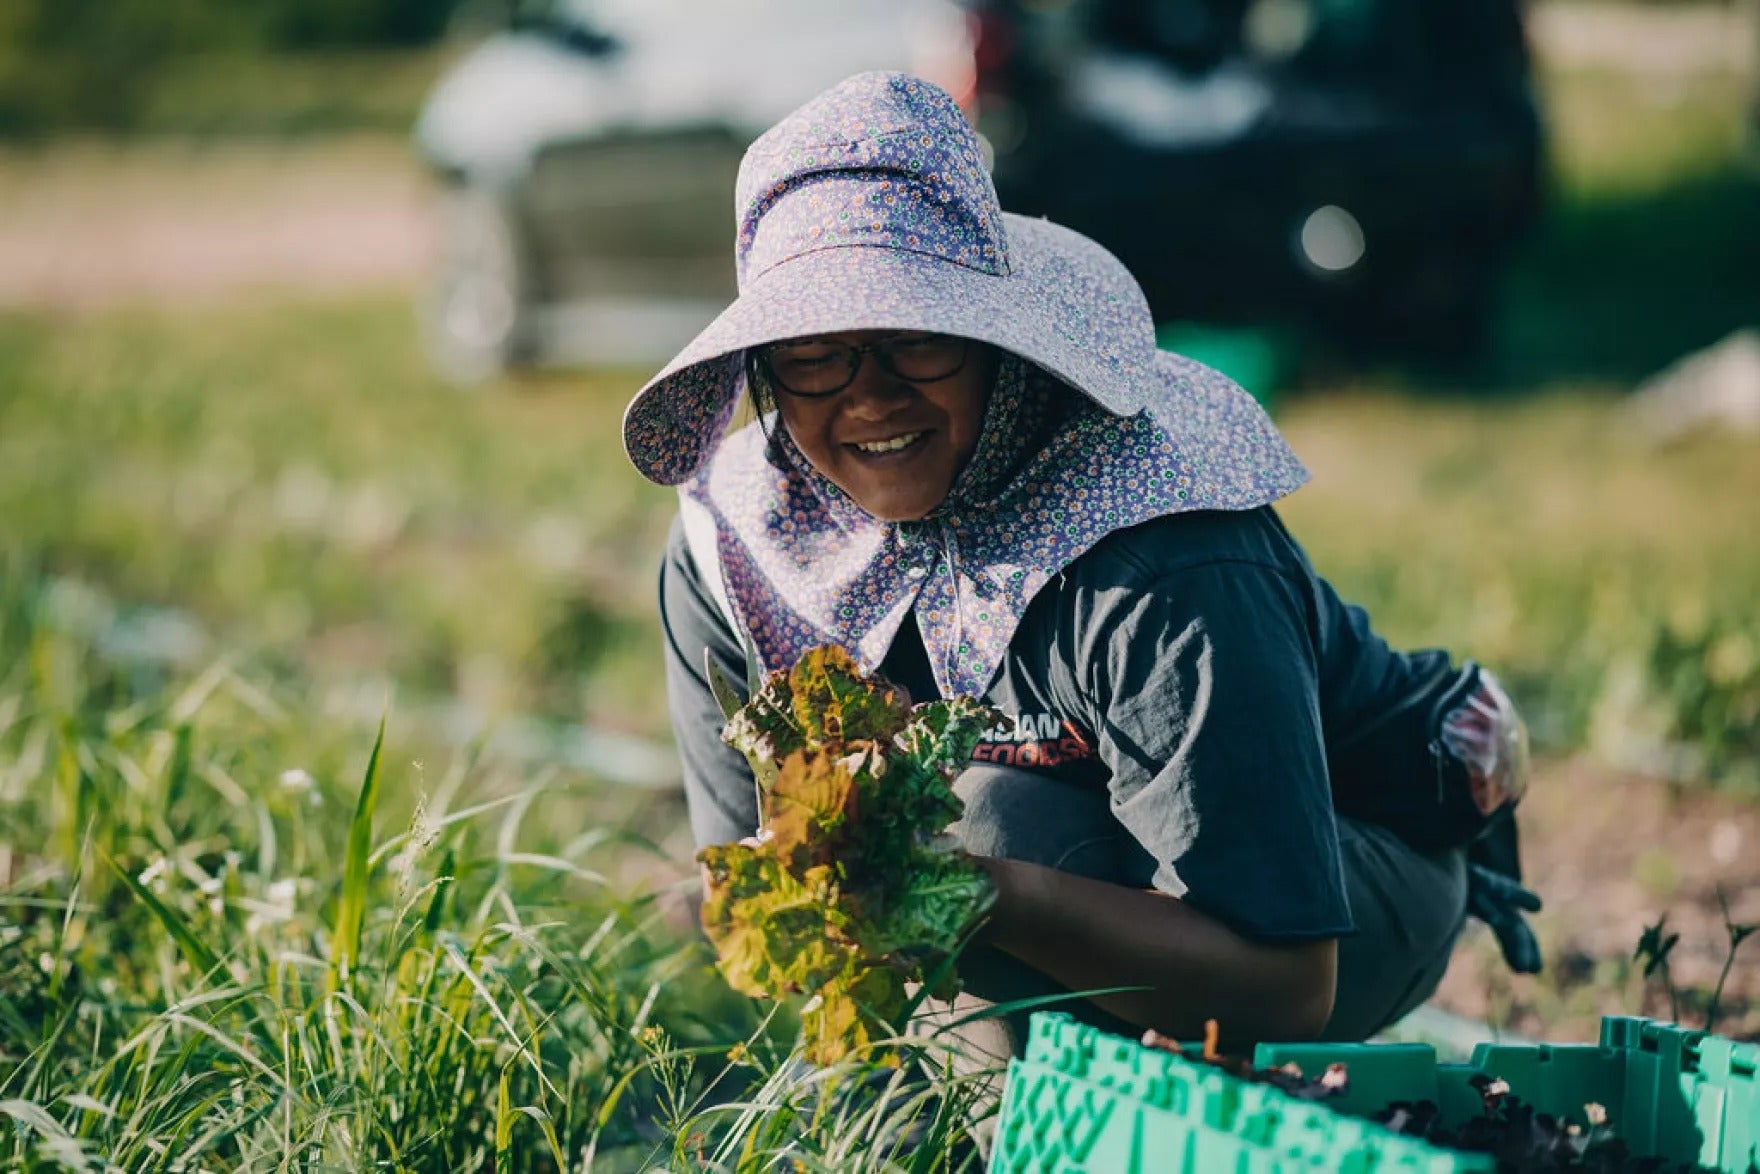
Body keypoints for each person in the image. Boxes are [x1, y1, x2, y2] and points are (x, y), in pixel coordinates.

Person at [622, 71, 1539, 1056]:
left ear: (993, 337)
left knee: (990, 830)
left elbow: (1283, 982)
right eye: (814, 353)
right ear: (763, 368)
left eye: (917, 337)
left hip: (1344, 867)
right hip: (1069, 856)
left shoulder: (1156, 553)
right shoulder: (742, 544)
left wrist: (977, 896)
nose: (869, 395)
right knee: (966, 851)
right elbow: (754, 895)